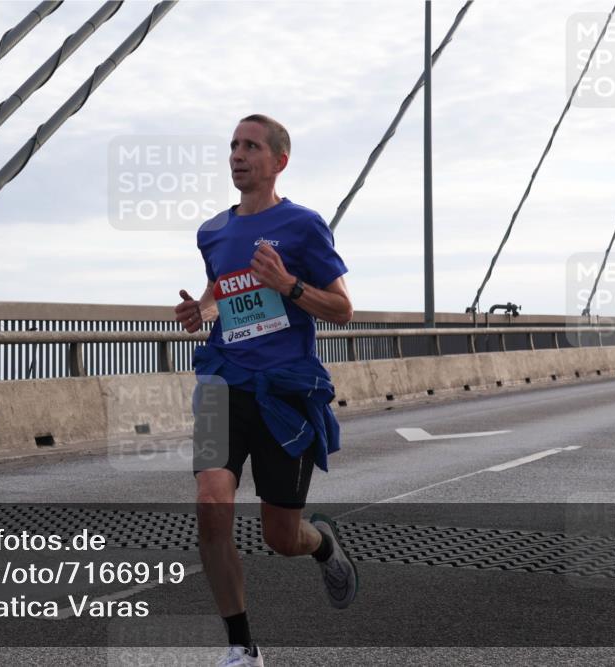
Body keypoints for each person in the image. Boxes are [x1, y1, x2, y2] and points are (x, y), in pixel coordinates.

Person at [174, 114, 358, 667]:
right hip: (220, 381)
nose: (237, 154)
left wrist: (289, 285)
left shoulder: (304, 226)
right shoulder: (212, 231)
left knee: (281, 536)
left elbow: (344, 309)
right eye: (232, 145)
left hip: (283, 392)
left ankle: (322, 544)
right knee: (211, 504)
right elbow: (219, 290)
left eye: (250, 146)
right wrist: (199, 310)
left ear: (279, 161)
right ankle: (241, 646)